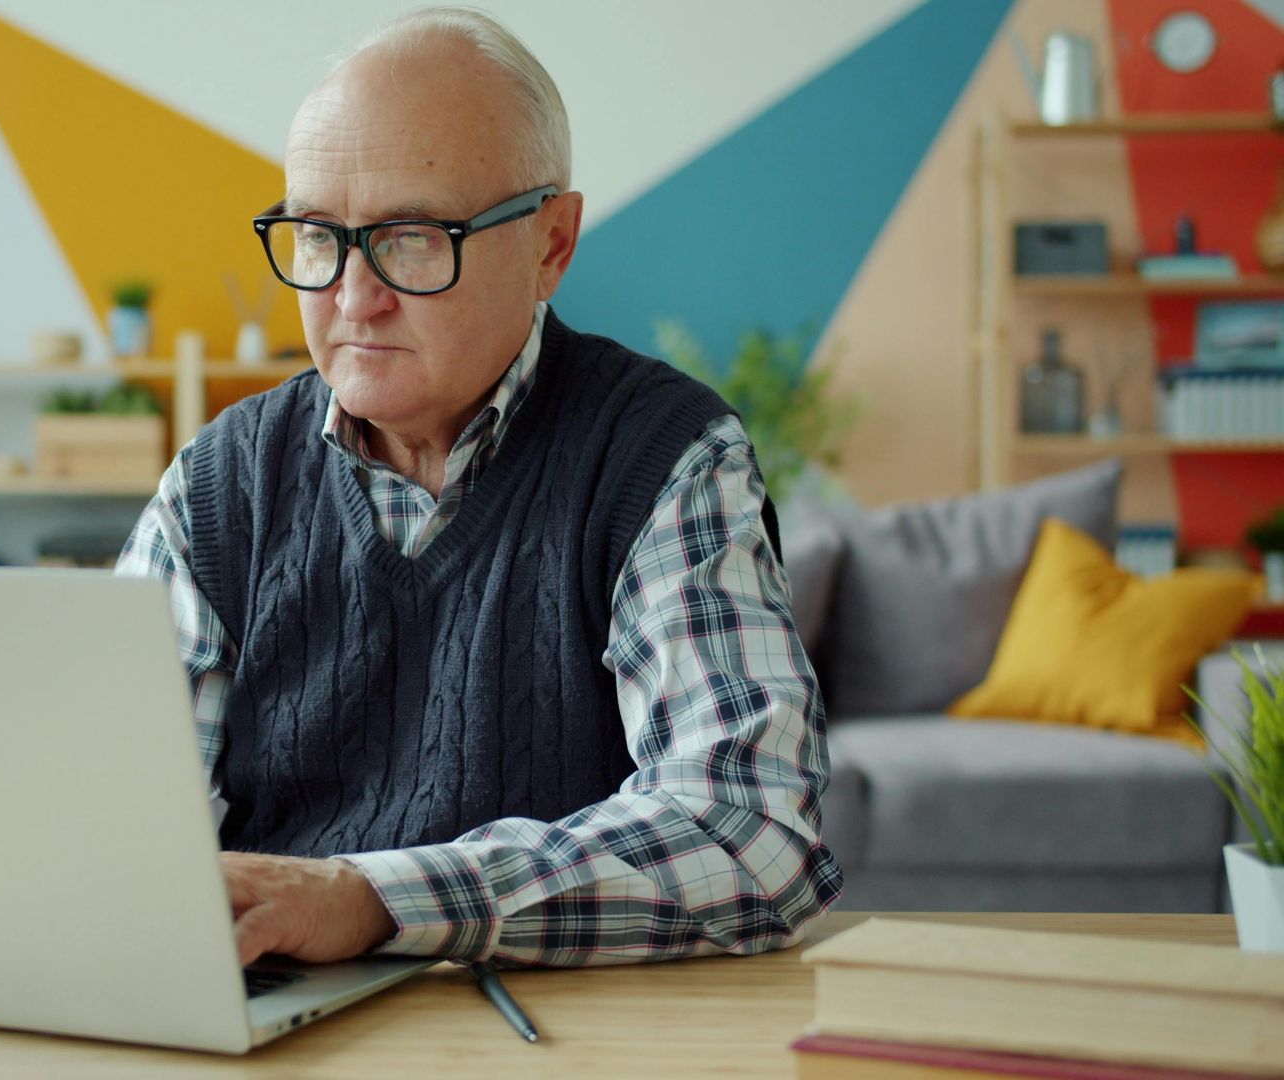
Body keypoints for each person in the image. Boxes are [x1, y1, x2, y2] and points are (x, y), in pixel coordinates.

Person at [115, 7, 842, 969]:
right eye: (317, 236)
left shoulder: (662, 457)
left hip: (555, 1031)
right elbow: (104, 820)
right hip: (268, 1020)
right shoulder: (222, 481)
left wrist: (374, 899)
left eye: (412, 238)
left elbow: (748, 831)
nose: (350, 296)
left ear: (551, 243)